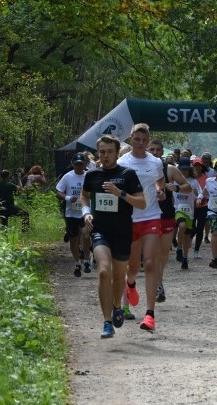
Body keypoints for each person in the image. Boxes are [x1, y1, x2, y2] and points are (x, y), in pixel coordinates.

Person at [81, 135, 146, 338]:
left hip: (122, 232)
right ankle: (107, 321)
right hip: (100, 230)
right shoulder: (92, 175)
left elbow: (142, 203)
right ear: (98, 153)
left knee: (119, 276)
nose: (106, 155)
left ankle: (117, 305)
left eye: (110, 152)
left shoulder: (128, 174)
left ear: (117, 153)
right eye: (102, 152)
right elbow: (84, 196)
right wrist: (86, 212)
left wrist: (121, 194)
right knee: (103, 272)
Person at [117, 123, 166, 332]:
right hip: (130, 218)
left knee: (150, 262)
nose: (140, 143)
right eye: (136, 139)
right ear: (130, 139)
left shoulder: (155, 162)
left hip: (152, 215)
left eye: (144, 140)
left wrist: (160, 190)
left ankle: (150, 315)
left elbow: (160, 181)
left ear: (148, 141)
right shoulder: (122, 162)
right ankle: (130, 284)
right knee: (133, 266)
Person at [148, 138, 192, 302]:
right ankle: (154, 284)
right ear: (147, 150)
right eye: (151, 150)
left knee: (163, 252)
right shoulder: (139, 168)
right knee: (150, 254)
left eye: (158, 150)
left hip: (166, 214)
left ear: (162, 152)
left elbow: (188, 186)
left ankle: (159, 282)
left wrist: (176, 187)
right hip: (146, 215)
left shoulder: (170, 169)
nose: (155, 153)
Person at [56, 152, 92, 277]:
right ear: (72, 164)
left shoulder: (89, 176)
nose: (78, 166)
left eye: (81, 164)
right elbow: (58, 191)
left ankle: (87, 260)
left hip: (85, 212)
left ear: (85, 164)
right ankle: (77, 263)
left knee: (86, 235)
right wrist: (67, 197)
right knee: (74, 240)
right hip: (71, 212)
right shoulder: (67, 177)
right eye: (76, 164)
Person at [172, 156, 199, 270]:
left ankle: (185, 257)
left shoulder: (193, 182)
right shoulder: (174, 180)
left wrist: (197, 195)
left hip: (189, 211)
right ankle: (178, 248)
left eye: (186, 169)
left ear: (190, 169)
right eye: (182, 169)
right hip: (178, 209)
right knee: (181, 226)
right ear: (178, 169)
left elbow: (199, 195)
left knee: (187, 236)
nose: (184, 171)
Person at [191, 158, 209, 259]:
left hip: (203, 205)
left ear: (202, 166)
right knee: (192, 228)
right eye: (195, 165)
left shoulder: (206, 178)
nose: (197, 167)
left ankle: (196, 250)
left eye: (199, 165)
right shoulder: (190, 178)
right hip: (192, 206)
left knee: (200, 228)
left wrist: (201, 196)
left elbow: (208, 192)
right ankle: (188, 240)